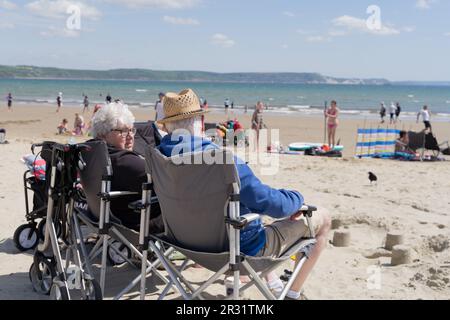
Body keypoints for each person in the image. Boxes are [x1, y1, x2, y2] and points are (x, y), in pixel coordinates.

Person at [157, 88, 331, 300]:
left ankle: (273, 282)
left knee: (246, 212)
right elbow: (274, 205)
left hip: (187, 246)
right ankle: (292, 294)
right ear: (200, 123)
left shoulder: (159, 157)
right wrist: (297, 199)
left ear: (166, 126)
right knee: (322, 217)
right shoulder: (220, 161)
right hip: (235, 252)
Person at [91, 101, 162, 232]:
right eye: (122, 131)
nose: (129, 136)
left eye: (131, 130)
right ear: (103, 134)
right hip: (138, 221)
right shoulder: (122, 160)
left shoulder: (93, 153)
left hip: (112, 216)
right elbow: (164, 179)